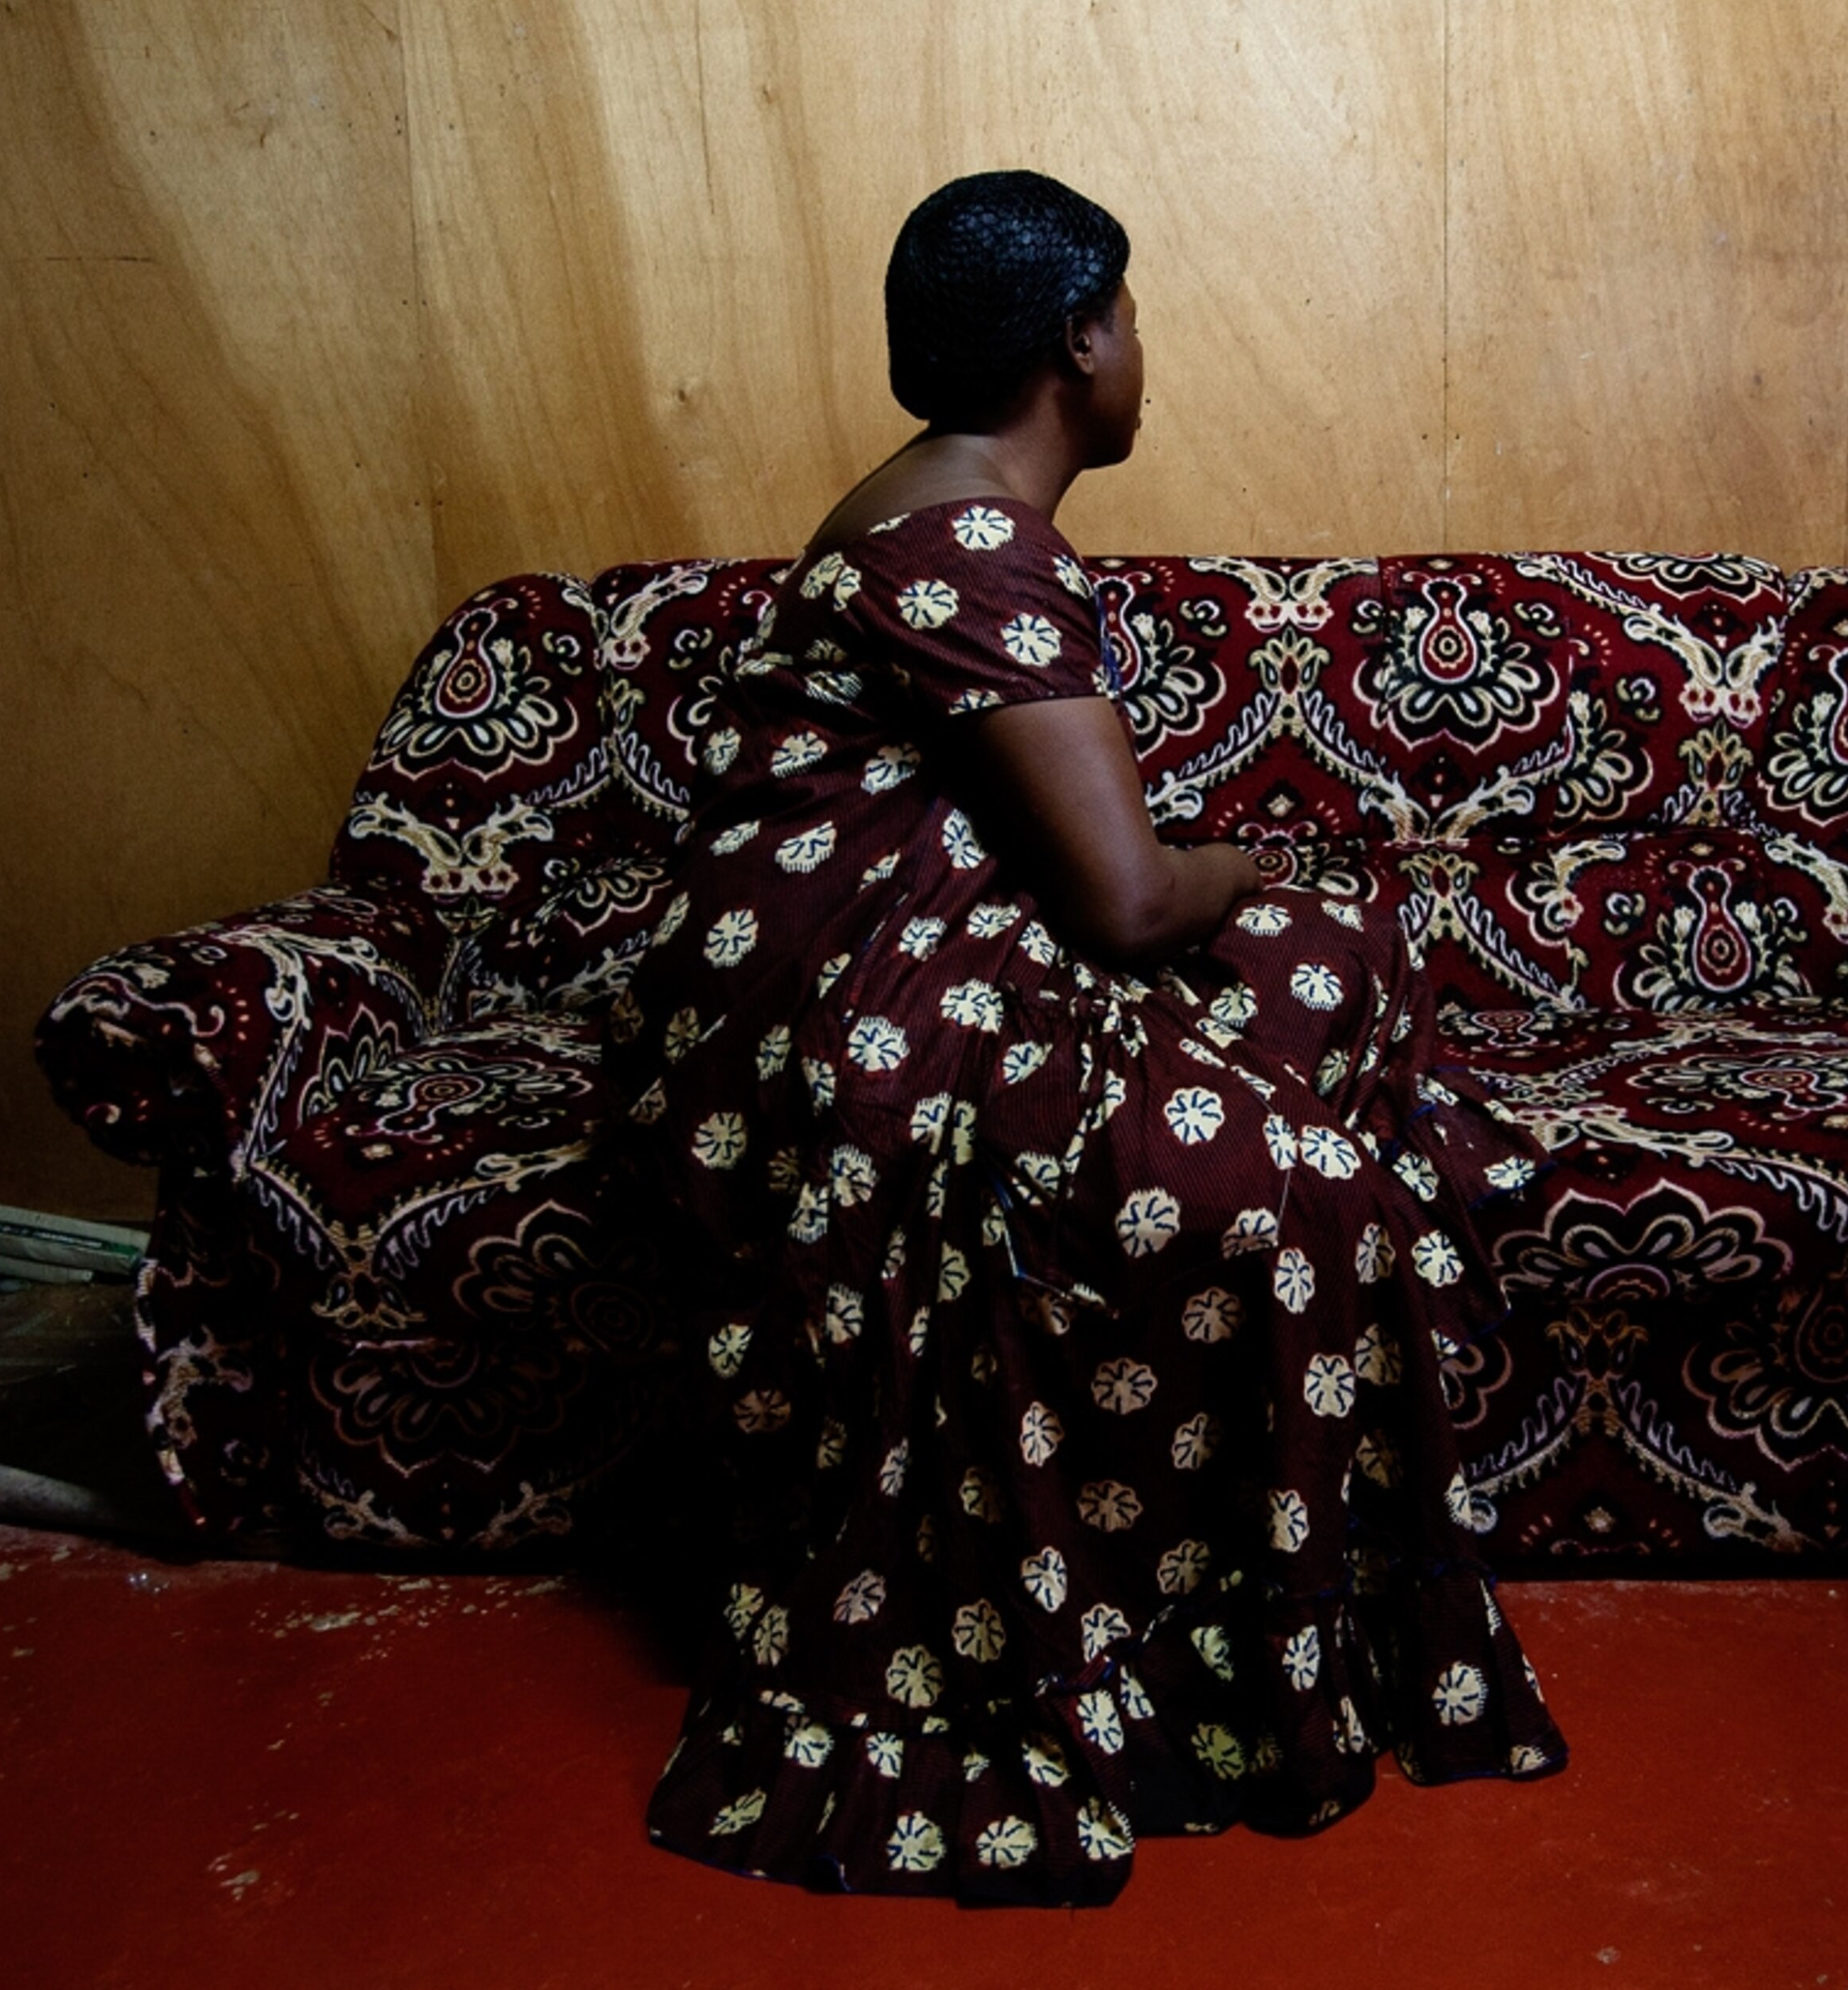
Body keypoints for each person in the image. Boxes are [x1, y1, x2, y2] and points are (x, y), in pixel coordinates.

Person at [609, 170, 1564, 1904]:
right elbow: (1125, 903)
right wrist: (1249, 864)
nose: (1140, 351)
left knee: (1328, 951)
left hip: (855, 969)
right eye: (1130, 318)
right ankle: (1181, 1612)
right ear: (1078, 339)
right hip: (835, 1031)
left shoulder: (924, 502)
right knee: (1300, 1099)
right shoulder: (972, 538)